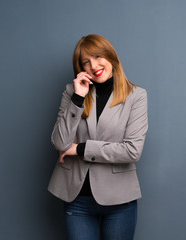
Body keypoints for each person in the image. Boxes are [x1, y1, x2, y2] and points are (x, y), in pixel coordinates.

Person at [48, 34, 148, 240]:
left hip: (120, 200)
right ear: (81, 68)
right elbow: (60, 142)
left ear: (110, 56)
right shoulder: (71, 92)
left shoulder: (136, 96)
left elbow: (132, 150)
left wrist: (80, 149)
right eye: (86, 61)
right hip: (77, 198)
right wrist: (78, 98)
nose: (93, 65)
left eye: (97, 56)